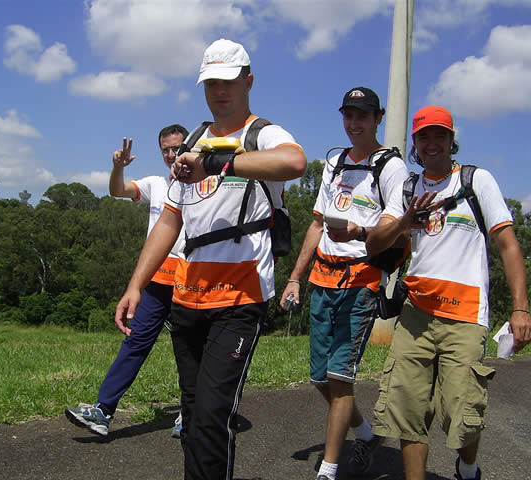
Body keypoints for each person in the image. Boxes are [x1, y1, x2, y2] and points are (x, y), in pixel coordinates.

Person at [115, 38, 306, 480]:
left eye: (228, 81)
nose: (219, 90)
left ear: (248, 81)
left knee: (212, 417)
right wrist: (135, 286)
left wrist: (220, 164)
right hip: (188, 297)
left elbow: (295, 162)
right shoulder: (195, 139)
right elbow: (170, 220)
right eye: (210, 82)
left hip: (240, 299)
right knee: (192, 416)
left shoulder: (262, 135)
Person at [367, 105, 531, 480]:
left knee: (464, 413)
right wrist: (404, 222)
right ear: (414, 144)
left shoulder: (476, 181)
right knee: (408, 411)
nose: (432, 143)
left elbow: (507, 244)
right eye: (423, 136)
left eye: (439, 135)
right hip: (416, 315)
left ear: (452, 140)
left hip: (466, 314)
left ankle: (468, 466)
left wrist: (520, 309)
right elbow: (374, 244)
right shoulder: (408, 188)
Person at [279, 87, 408, 480]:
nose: (354, 124)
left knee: (340, 377)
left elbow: (396, 228)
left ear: (377, 118)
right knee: (320, 378)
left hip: (362, 280)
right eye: (348, 116)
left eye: (362, 116)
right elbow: (317, 222)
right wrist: (295, 277)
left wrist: (359, 231)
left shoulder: (390, 166)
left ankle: (329, 469)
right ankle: (365, 434)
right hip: (323, 278)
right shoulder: (334, 161)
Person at [64, 124, 189, 438]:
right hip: (156, 281)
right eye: (166, 150)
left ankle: (192, 413)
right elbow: (117, 191)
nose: (171, 154)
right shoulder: (156, 184)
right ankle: (103, 411)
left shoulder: (203, 185)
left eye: (177, 147)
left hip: (190, 280)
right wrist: (117, 167)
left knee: (189, 350)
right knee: (134, 343)